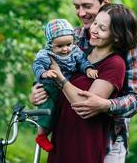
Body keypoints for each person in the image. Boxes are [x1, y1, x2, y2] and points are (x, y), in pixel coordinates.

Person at [30, 0, 137, 162]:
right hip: (66, 133)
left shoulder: (127, 47)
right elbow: (48, 69)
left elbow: (135, 99)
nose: (81, 13)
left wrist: (104, 104)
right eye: (77, 6)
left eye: (87, 6)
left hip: (108, 139)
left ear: (105, 2)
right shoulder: (71, 37)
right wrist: (37, 91)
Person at [47, 3, 137, 163]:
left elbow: (84, 104)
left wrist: (60, 78)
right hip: (63, 135)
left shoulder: (115, 64)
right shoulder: (79, 54)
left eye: (102, 28)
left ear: (116, 36)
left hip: (84, 142)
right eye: (95, 23)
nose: (94, 30)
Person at [32, 18, 98, 152]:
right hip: (48, 87)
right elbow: (37, 65)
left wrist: (88, 69)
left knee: (59, 113)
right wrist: (44, 74)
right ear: (50, 44)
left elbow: (83, 62)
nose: (65, 49)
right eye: (60, 46)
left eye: (68, 44)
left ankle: (49, 133)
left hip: (63, 87)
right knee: (48, 109)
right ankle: (41, 135)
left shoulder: (75, 51)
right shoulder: (46, 54)